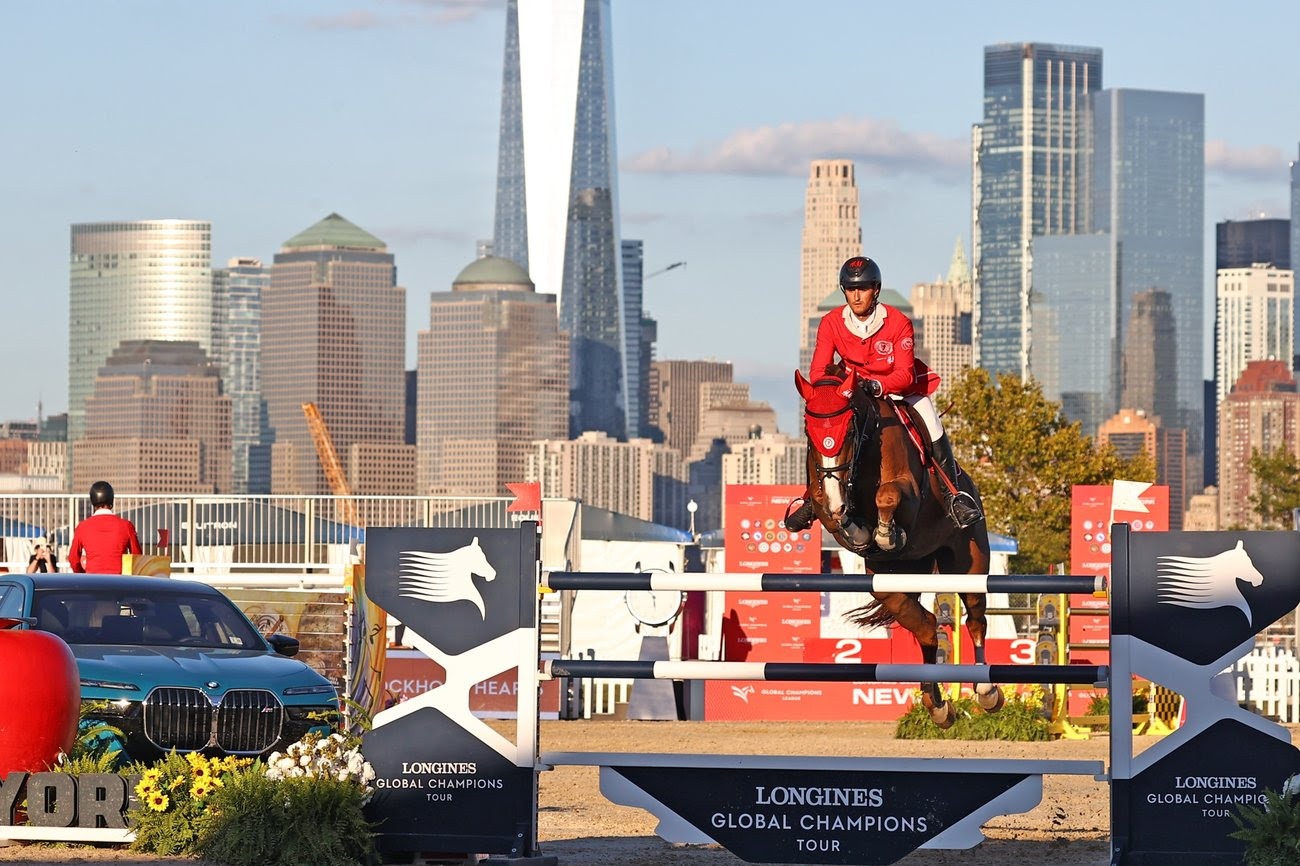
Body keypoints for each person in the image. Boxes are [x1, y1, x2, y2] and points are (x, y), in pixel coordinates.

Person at [786, 255, 983, 532]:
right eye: (851, 289)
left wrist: (877, 386)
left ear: (875, 290)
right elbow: (818, 372)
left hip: (898, 389)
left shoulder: (898, 322)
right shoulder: (831, 322)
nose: (856, 296)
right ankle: (811, 499)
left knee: (931, 421)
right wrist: (840, 390)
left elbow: (905, 374)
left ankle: (954, 495)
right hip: (852, 391)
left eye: (863, 289)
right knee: (825, 428)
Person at [68, 481, 141, 574]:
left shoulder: (82, 527)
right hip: (120, 582)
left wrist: (83, 575)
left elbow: (73, 559)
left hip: (92, 581)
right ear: (111, 499)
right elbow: (137, 557)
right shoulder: (126, 526)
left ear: (93, 501)